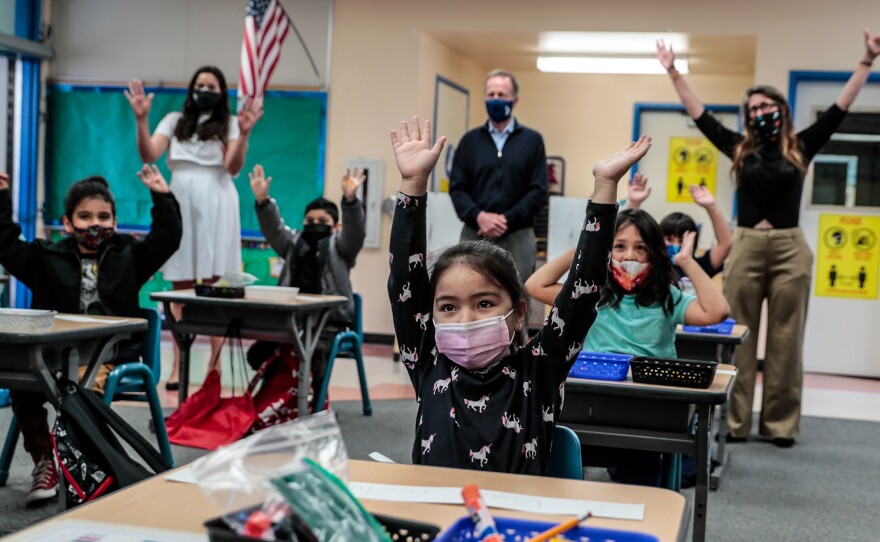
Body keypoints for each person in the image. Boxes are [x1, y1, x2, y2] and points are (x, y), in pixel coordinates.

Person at [389, 115, 652, 475]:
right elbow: (404, 280)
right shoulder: (426, 359)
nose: (465, 319)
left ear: (517, 313)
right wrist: (413, 183)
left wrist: (605, 188)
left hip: (519, 526)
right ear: (429, 316)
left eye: (484, 303)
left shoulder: (540, 367)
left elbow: (582, 293)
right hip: (442, 521)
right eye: (448, 307)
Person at [656, 29, 880, 447]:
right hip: (745, 244)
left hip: (790, 248)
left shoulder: (801, 145)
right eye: (753, 106)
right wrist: (673, 72)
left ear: (781, 108)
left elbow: (841, 107)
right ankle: (735, 422)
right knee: (738, 332)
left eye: (766, 104)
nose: (760, 110)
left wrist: (866, 61)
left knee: (785, 338)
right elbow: (701, 114)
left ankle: (779, 425)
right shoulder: (740, 148)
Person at [0, 167, 182, 505]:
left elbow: (168, 237)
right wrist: (1, 198)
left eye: (103, 216)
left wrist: (162, 195)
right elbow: (6, 244)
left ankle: (89, 464)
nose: (94, 224)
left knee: (84, 389)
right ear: (67, 223)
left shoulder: (130, 255)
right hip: (53, 354)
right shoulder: (46, 258)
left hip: (107, 355)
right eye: (84, 216)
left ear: (115, 221)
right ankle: (44, 462)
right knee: (23, 387)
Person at [125, 66, 263, 390]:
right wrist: (141, 119)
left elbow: (233, 167)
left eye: (211, 85)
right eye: (199, 84)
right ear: (191, 89)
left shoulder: (230, 123)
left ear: (221, 92)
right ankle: (179, 364)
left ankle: (214, 367)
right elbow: (149, 153)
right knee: (180, 285)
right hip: (181, 200)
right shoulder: (174, 121)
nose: (204, 89)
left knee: (216, 286)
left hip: (218, 201)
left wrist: (243, 135)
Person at [245, 164, 366, 408]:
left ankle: (317, 405)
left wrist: (350, 201)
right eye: (310, 220)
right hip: (291, 321)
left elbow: (356, 232)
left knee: (315, 356)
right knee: (257, 353)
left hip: (329, 323)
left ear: (335, 226)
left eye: (322, 220)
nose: (315, 224)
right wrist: (263, 201)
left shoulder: (341, 248)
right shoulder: (293, 243)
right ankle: (282, 395)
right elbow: (274, 229)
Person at [448, 69, 549, 283]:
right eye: (491, 94)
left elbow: (539, 190)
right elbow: (457, 188)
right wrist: (479, 216)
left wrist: (507, 219)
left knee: (517, 295)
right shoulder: (470, 141)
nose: (495, 99)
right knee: (469, 289)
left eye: (501, 95)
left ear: (515, 99)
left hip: (518, 234)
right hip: (476, 232)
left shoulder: (532, 141)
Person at [626, 172, 733, 279]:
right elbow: (623, 236)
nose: (676, 245)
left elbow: (726, 244)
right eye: (669, 239)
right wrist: (633, 203)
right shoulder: (649, 266)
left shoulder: (701, 267)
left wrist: (711, 206)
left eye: (682, 241)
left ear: (694, 242)